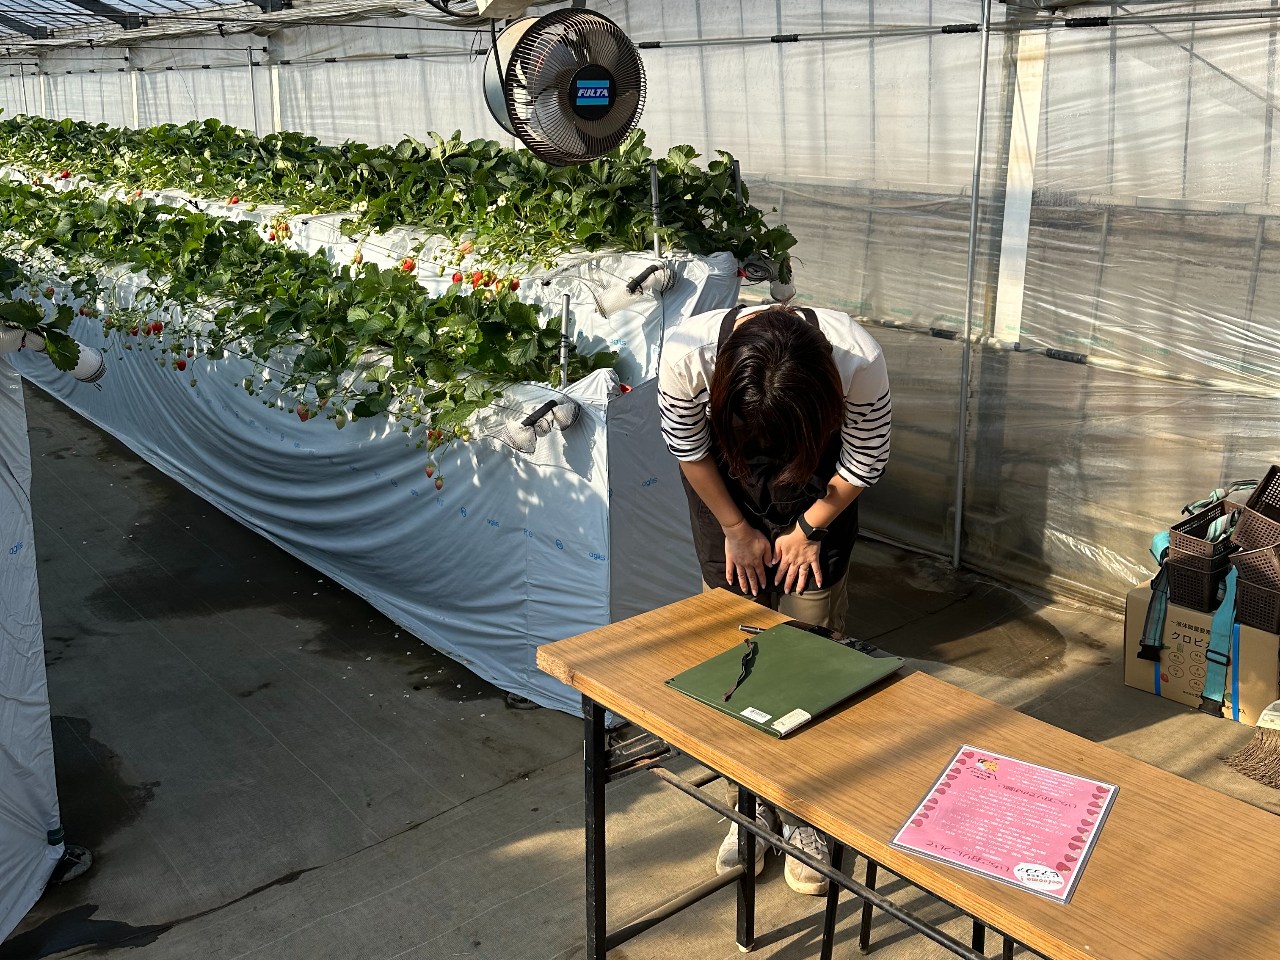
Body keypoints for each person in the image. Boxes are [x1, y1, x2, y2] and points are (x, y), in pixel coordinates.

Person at [658, 300, 891, 896]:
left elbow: (866, 455)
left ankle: (805, 811)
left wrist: (809, 528)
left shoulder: (857, 359)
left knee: (811, 654)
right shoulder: (686, 356)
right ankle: (749, 804)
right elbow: (689, 448)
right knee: (732, 653)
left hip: (818, 494)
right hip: (726, 495)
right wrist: (735, 528)